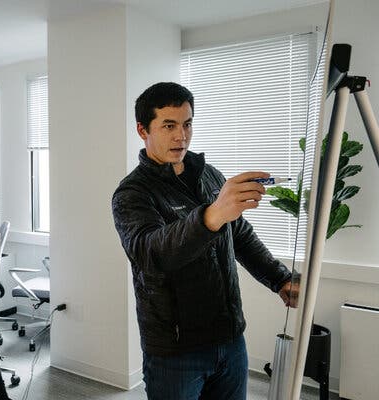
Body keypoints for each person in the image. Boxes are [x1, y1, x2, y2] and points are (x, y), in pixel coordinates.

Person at [111, 82, 298, 400]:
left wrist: (280, 278)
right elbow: (152, 253)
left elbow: (239, 234)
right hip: (176, 352)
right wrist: (211, 216)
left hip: (230, 339)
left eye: (187, 124)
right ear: (143, 130)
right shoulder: (132, 193)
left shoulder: (209, 174)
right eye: (168, 125)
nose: (180, 136)